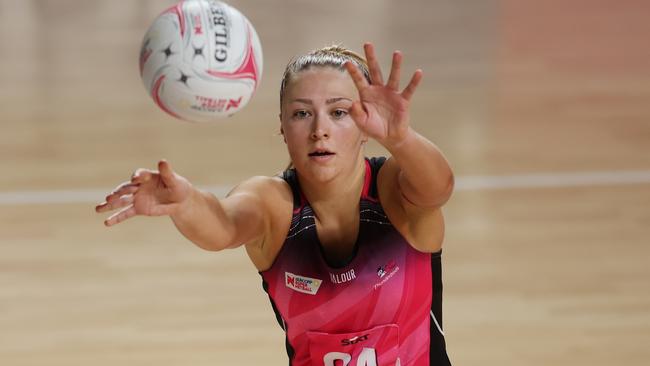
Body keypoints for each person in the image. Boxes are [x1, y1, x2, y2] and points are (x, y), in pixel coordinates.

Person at [96, 42, 454, 366]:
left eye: (339, 112)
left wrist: (402, 138)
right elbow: (223, 225)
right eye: (301, 113)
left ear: (366, 126)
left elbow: (438, 188)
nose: (320, 129)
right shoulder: (273, 204)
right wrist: (186, 202)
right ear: (282, 126)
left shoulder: (392, 190)